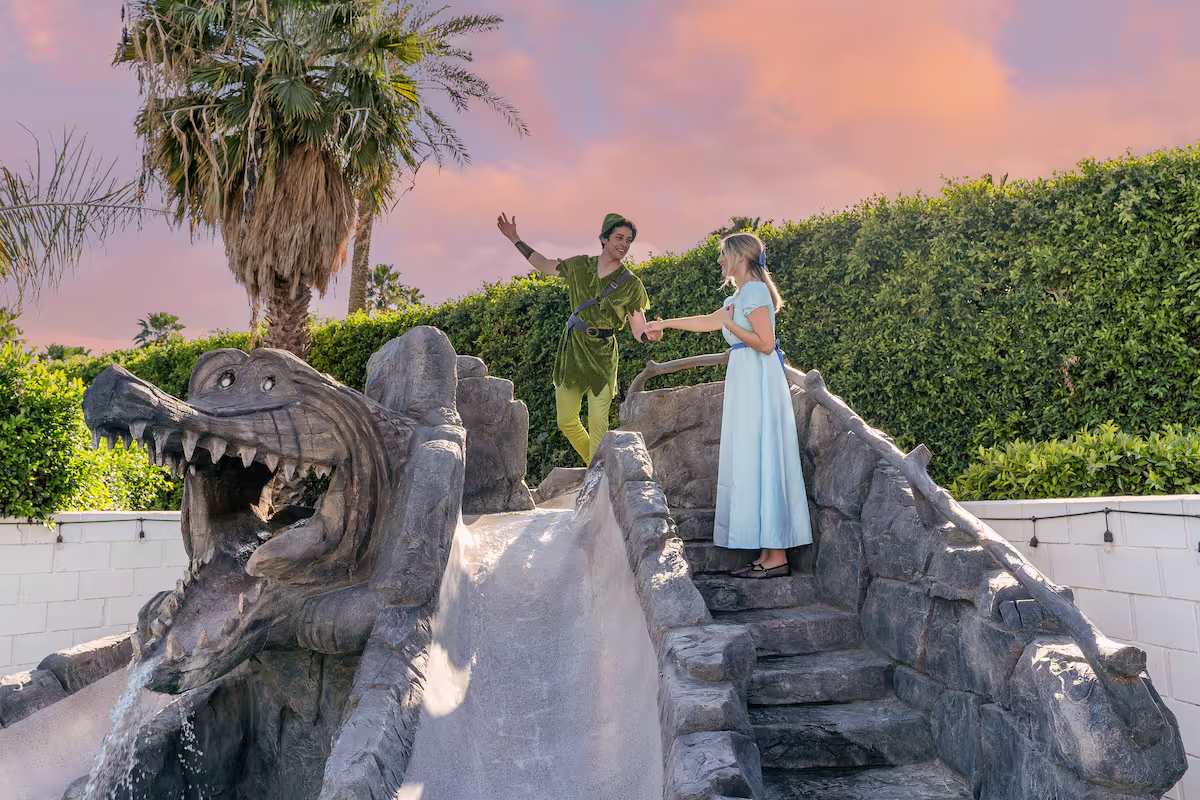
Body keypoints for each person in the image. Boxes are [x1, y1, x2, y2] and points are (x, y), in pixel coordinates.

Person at [646, 232, 811, 577]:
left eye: (723, 254)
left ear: (739, 256)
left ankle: (777, 555)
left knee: (762, 455)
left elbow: (765, 343)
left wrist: (730, 323)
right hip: (747, 380)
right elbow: (706, 321)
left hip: (758, 380)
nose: (720, 261)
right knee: (753, 458)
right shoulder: (741, 295)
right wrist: (663, 324)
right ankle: (768, 553)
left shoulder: (755, 292)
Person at [496, 211, 660, 465]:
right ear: (604, 238)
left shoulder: (631, 284)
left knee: (598, 423)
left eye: (628, 240)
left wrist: (649, 335)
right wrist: (515, 238)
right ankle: (597, 466)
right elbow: (544, 265)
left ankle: (598, 475)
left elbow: (638, 327)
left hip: (603, 354)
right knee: (566, 420)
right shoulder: (579, 266)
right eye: (619, 237)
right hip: (573, 349)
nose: (624, 244)